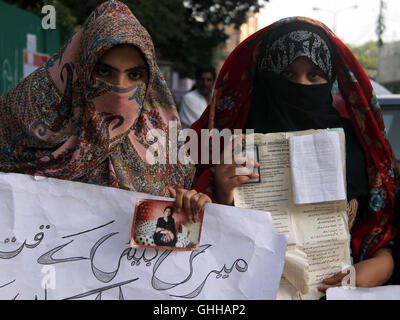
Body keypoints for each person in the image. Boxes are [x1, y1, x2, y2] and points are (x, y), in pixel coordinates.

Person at [191, 17, 400, 293]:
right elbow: (199, 247)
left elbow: (382, 235)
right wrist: (222, 193)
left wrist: (382, 265)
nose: (300, 86)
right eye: (287, 74)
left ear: (331, 81)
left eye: (314, 75)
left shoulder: (359, 149)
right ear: (266, 79)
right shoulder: (231, 149)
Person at [0, 1, 211, 214]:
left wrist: (194, 201)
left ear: (149, 81)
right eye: (103, 72)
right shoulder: (20, 124)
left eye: (134, 75)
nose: (120, 87)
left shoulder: (167, 151)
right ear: (82, 70)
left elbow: (179, 227)